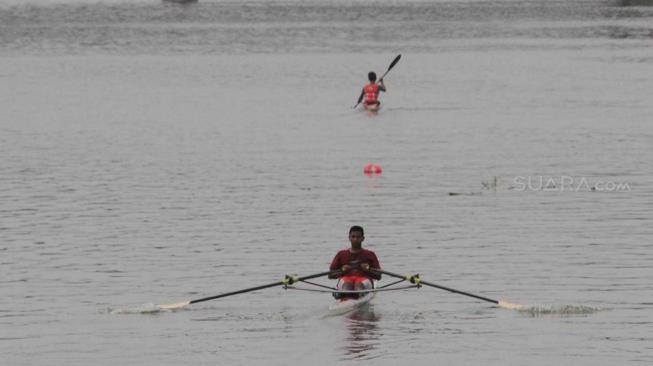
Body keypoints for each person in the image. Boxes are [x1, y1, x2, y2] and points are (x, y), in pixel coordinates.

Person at [329, 226, 381, 296]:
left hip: (363, 279)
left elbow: (379, 276)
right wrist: (342, 270)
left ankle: (359, 295)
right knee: (347, 285)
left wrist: (368, 269)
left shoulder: (370, 254)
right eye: (353, 237)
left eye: (358, 237)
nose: (355, 239)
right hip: (346, 280)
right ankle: (343, 295)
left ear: (363, 238)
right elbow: (330, 275)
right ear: (349, 238)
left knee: (358, 285)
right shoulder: (341, 254)